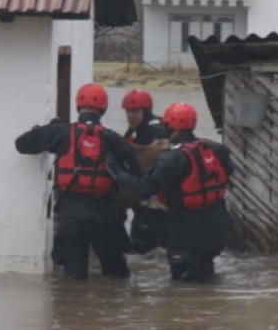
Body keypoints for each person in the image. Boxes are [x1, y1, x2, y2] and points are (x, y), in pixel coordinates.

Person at [15, 83, 141, 279]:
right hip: (105, 215)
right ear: (104, 108)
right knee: (116, 276)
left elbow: (22, 144)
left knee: (74, 277)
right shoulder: (113, 138)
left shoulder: (61, 132)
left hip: (71, 215)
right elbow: (136, 172)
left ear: (78, 106)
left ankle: (74, 307)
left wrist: (48, 128)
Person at [111, 102, 233, 282]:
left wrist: (118, 172)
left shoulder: (173, 158)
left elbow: (144, 189)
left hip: (187, 231)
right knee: (207, 279)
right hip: (217, 229)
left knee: (184, 289)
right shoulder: (216, 149)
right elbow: (228, 172)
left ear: (172, 126)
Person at [120, 89, 170, 254]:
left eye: (135, 111)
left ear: (146, 111)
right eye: (128, 112)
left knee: (143, 249)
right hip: (146, 204)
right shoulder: (134, 132)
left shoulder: (158, 131)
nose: (130, 116)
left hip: (156, 206)